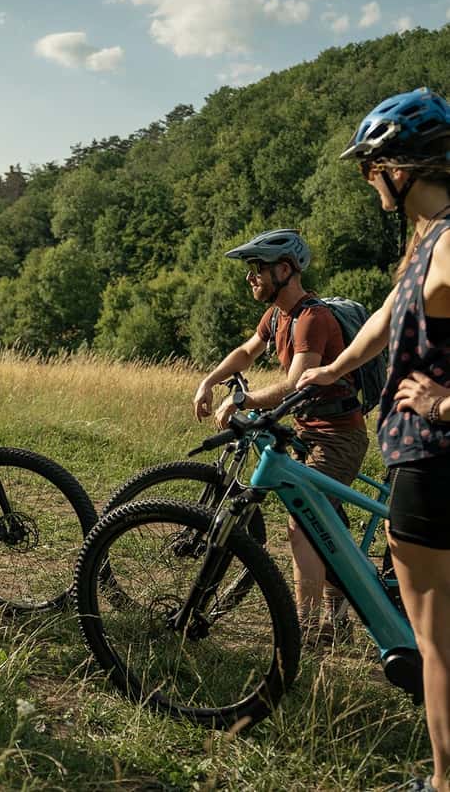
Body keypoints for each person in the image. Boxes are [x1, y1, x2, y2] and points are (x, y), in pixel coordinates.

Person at [300, 88, 450, 792]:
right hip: (419, 456)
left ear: (400, 166)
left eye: (371, 167)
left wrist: (447, 401)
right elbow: (390, 314)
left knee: (437, 643)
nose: (369, 182)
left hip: (436, 457)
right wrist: (334, 367)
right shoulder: (429, 239)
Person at [193, 229, 368, 646]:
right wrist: (210, 380)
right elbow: (247, 350)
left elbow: (294, 383)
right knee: (324, 522)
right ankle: (336, 613)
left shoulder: (312, 319)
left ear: (285, 269)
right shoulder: (277, 316)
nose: (250, 278)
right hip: (309, 432)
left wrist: (243, 399)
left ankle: (305, 630)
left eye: (257, 269)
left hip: (339, 437)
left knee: (303, 522)